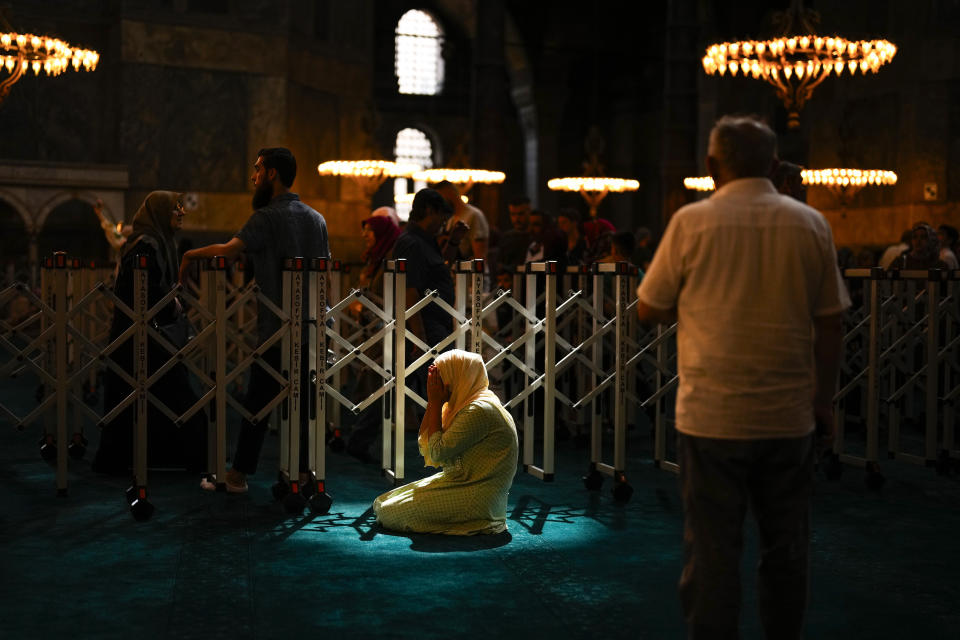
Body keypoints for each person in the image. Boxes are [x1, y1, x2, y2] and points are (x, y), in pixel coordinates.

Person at [636, 115, 849, 639]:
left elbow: (649, 307)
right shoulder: (809, 224)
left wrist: (701, 302)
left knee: (712, 553)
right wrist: (823, 402)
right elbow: (831, 322)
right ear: (775, 166)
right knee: (787, 550)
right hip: (788, 416)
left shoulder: (692, 222)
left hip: (711, 417)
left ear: (711, 166)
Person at [178, 147, 330, 493]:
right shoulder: (316, 219)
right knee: (304, 404)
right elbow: (325, 279)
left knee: (257, 404)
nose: (253, 177)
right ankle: (302, 474)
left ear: (272, 174)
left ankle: (237, 476)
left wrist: (188, 255)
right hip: (310, 330)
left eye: (258, 170)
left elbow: (230, 251)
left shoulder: (266, 217)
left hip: (275, 330)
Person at [93, 191, 207, 475]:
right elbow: (143, 290)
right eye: (175, 208)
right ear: (159, 213)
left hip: (146, 335)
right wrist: (172, 306)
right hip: (140, 339)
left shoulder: (154, 243)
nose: (181, 212)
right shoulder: (147, 245)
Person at [373, 349, 518, 535]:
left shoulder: (479, 410)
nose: (437, 384)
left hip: (478, 496)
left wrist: (435, 401)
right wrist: (436, 402)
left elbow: (437, 451)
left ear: (457, 376)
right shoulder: (469, 402)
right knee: (383, 501)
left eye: (441, 377)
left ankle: (479, 520)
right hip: (462, 481)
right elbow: (426, 446)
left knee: (387, 512)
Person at [344, 212, 401, 464]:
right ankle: (359, 439)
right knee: (378, 383)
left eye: (369, 231)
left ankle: (359, 439)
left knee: (380, 383)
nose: (364, 235)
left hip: (387, 328)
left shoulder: (390, 259)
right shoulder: (376, 258)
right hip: (375, 327)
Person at [435, 180, 490, 263]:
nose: (438, 204)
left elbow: (480, 256)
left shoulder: (474, 215)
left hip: (470, 273)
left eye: (440, 198)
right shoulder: (451, 218)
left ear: (449, 193)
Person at [497, 195, 533, 274]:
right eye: (513, 214)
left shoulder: (536, 237)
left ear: (529, 212)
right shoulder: (507, 237)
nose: (516, 219)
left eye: (521, 214)